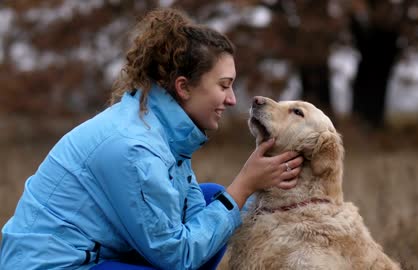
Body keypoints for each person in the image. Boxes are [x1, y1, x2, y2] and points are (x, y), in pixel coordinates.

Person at [0, 8, 304, 270]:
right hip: (55, 264)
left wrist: (251, 196)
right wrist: (244, 186)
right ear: (184, 87)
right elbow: (178, 257)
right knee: (224, 203)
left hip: (94, 255)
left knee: (213, 197)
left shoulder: (162, 127)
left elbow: (196, 221)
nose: (233, 99)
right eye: (223, 86)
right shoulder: (134, 148)